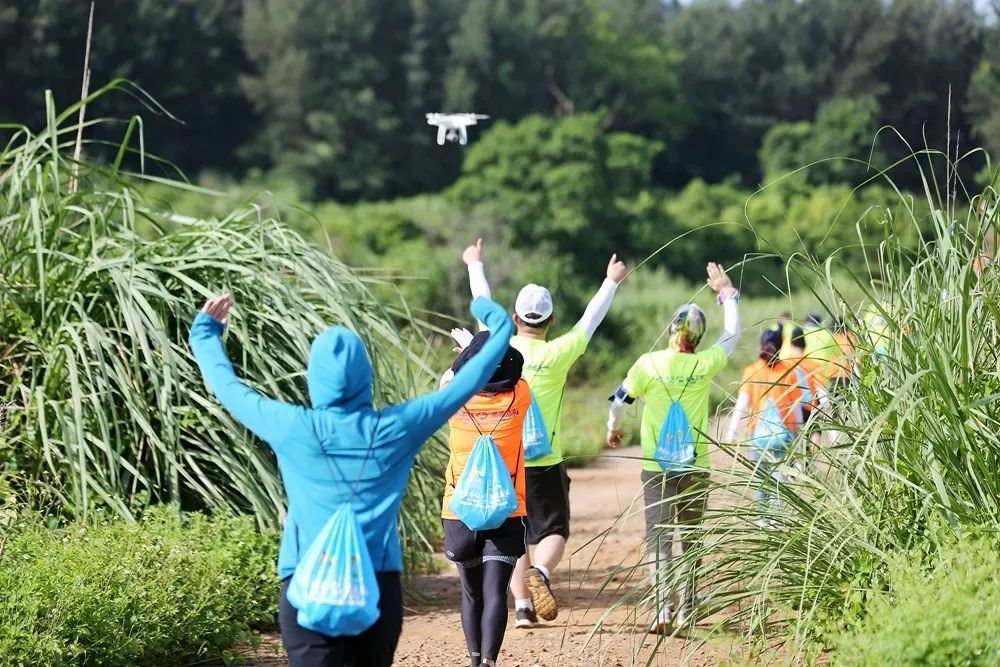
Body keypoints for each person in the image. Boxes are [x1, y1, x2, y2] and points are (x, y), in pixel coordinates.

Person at [189, 292, 514, 667]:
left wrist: (206, 333)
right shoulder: (397, 428)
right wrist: (492, 319)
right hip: (376, 588)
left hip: (305, 586)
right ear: (366, 378)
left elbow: (229, 388)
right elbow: (467, 383)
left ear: (314, 376)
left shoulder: (292, 427)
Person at [462, 238, 627, 628]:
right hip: (544, 460)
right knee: (553, 529)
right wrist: (611, 281)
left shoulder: (499, 345)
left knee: (514, 532)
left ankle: (522, 607)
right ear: (550, 321)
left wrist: (474, 264)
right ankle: (543, 571)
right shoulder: (559, 353)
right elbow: (589, 320)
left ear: (515, 318)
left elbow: (483, 303)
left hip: (505, 459)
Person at [606, 262, 741, 632]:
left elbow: (619, 400)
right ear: (699, 337)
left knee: (659, 537)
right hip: (695, 466)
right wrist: (726, 292)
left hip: (657, 467)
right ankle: (688, 610)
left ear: (670, 329)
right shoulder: (705, 363)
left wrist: (613, 429)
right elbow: (732, 333)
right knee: (692, 539)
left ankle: (662, 609)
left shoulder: (648, 363)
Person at [441, 332, 530, 667]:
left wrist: (468, 352)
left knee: (471, 593)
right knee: (495, 593)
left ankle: (474, 659)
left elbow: (449, 376)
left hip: (458, 512)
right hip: (506, 511)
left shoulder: (453, 398)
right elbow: (518, 373)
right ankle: (489, 663)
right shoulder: (520, 396)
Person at [725, 328, 804, 523]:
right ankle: (776, 520)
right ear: (780, 346)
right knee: (779, 480)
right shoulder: (789, 372)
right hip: (784, 436)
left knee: (761, 479)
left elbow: (741, 404)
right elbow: (796, 407)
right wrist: (800, 431)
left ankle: (762, 518)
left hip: (758, 437)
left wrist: (731, 432)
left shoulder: (752, 371)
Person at [785, 326, 827, 446]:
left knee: (796, 441)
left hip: (791, 408)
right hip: (811, 408)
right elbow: (820, 389)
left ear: (791, 344)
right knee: (814, 433)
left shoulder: (784, 364)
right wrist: (826, 408)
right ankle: (814, 452)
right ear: (804, 345)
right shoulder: (814, 364)